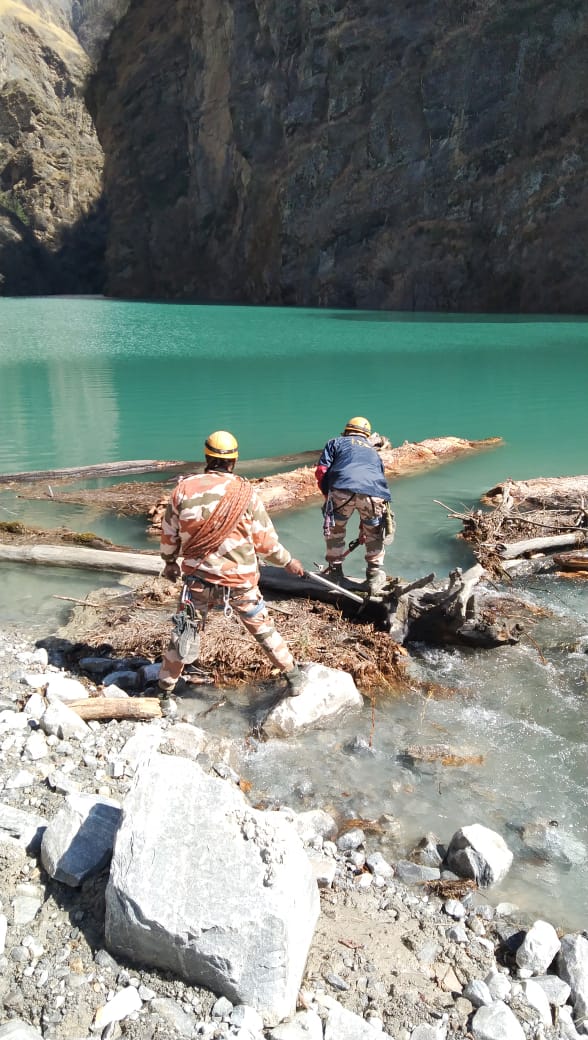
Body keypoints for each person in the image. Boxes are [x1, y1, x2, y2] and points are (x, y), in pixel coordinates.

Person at [157, 430, 306, 700]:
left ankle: (165, 693)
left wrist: (169, 563)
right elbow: (265, 544)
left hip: (197, 581)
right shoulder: (246, 493)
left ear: (206, 457)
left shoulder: (183, 490)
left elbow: (169, 536)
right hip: (239, 584)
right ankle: (294, 677)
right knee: (263, 630)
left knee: (185, 632)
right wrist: (289, 562)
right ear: (234, 461)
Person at [315, 416, 394, 595]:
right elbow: (376, 479)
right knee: (374, 533)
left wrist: (329, 496)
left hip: (341, 488)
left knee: (336, 530)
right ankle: (373, 577)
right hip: (374, 493)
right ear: (366, 436)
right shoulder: (373, 452)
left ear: (346, 431)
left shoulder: (335, 442)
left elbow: (321, 471)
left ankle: (335, 574)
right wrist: (365, 526)